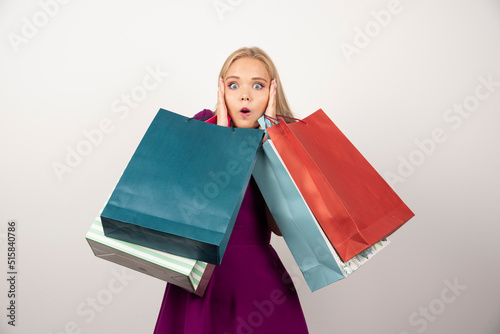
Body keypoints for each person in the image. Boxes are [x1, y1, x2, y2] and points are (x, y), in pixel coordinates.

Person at [154, 47, 309, 334]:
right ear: (221, 91)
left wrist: (271, 147)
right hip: (200, 277)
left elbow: (279, 227)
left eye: (258, 85)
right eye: (234, 85)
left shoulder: (284, 142)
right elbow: (189, 216)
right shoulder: (200, 127)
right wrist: (222, 143)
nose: (245, 96)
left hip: (257, 279)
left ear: (271, 93)